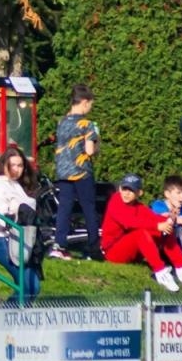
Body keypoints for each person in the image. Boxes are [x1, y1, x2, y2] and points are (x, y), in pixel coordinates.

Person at [99, 174, 182, 293]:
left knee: (165, 229)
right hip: (112, 251)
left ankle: (181, 267)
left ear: (139, 193)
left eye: (131, 190)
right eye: (124, 189)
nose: (126, 193)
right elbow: (129, 222)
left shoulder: (139, 207)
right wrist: (157, 226)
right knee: (141, 233)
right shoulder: (115, 201)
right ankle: (160, 272)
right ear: (120, 189)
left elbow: (154, 219)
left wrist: (169, 221)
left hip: (132, 252)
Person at [0, 145, 42, 302]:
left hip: (23, 241)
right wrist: (13, 217)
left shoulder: (16, 185)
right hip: (4, 241)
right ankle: (3, 320)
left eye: (20, 165)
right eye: (13, 165)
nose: (17, 169)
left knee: (30, 286)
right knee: (29, 287)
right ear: (5, 165)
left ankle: (17, 320)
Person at [51, 83, 101, 261]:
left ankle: (59, 245)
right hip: (81, 172)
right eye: (90, 105)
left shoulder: (62, 121)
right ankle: (94, 247)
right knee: (88, 208)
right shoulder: (87, 124)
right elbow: (89, 151)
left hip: (63, 172)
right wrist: (97, 141)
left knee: (64, 208)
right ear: (85, 102)